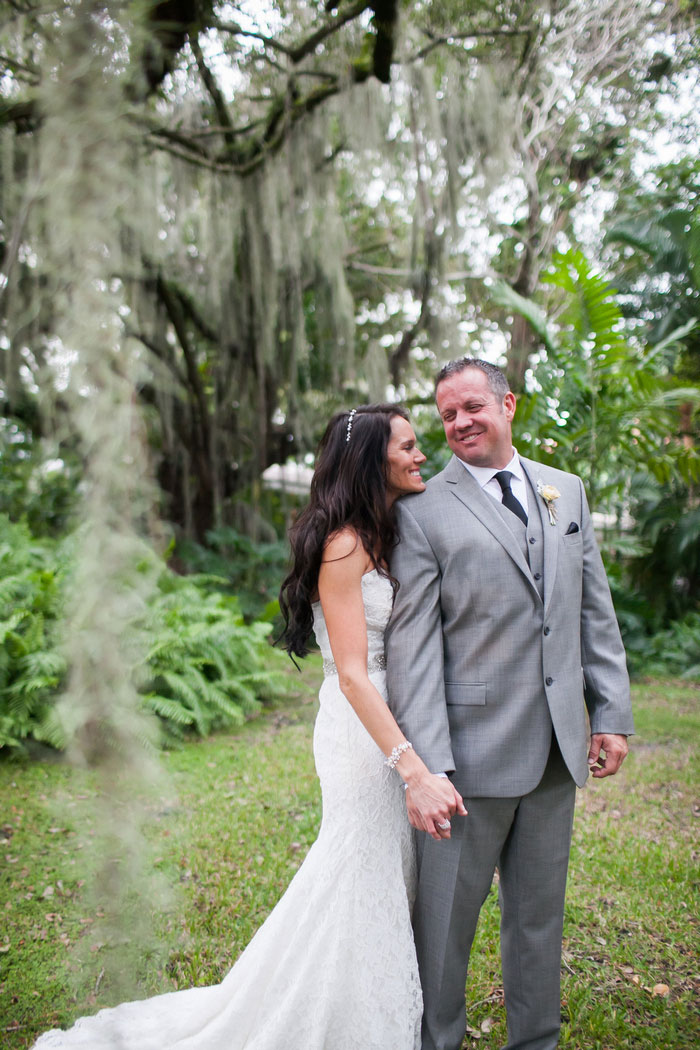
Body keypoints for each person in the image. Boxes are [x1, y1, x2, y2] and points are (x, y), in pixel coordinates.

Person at [32, 403, 464, 1050]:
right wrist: (411, 765)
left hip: (388, 724)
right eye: (407, 445)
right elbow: (351, 673)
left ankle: (352, 1009)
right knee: (359, 873)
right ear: (374, 460)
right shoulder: (345, 544)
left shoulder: (384, 532)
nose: (420, 454)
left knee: (376, 876)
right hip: (361, 732)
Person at [385, 358, 634, 1050]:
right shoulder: (422, 510)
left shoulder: (566, 492)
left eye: (471, 407)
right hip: (466, 760)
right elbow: (413, 650)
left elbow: (593, 608)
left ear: (508, 405)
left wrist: (609, 712)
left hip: (558, 750)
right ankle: (439, 1041)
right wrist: (430, 766)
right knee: (445, 929)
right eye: (446, 415)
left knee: (538, 920)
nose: (459, 423)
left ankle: (536, 1042)